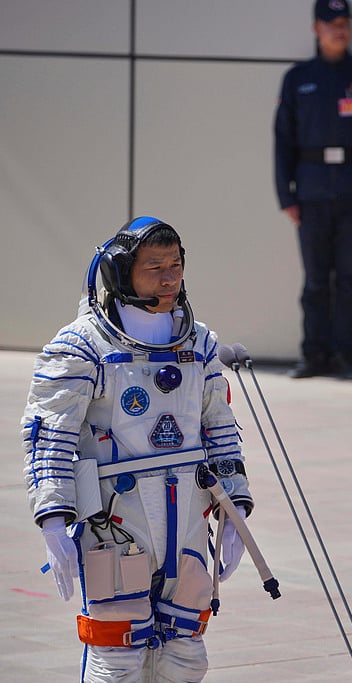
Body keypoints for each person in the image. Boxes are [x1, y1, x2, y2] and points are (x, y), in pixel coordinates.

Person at [23, 217, 255, 681]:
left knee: (186, 655)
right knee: (119, 658)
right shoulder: (82, 346)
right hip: (115, 524)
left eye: (176, 265)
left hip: (187, 522)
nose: (169, 278)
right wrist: (52, 517)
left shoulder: (198, 342)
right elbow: (50, 434)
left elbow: (220, 429)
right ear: (119, 273)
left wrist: (236, 509)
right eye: (154, 267)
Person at [273, 0, 352, 379]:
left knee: (350, 279)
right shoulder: (297, 78)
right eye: (331, 24)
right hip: (310, 192)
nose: (338, 30)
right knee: (314, 281)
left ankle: (347, 356)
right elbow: (282, 140)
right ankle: (313, 355)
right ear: (316, 29)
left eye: (344, 23)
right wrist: (286, 195)